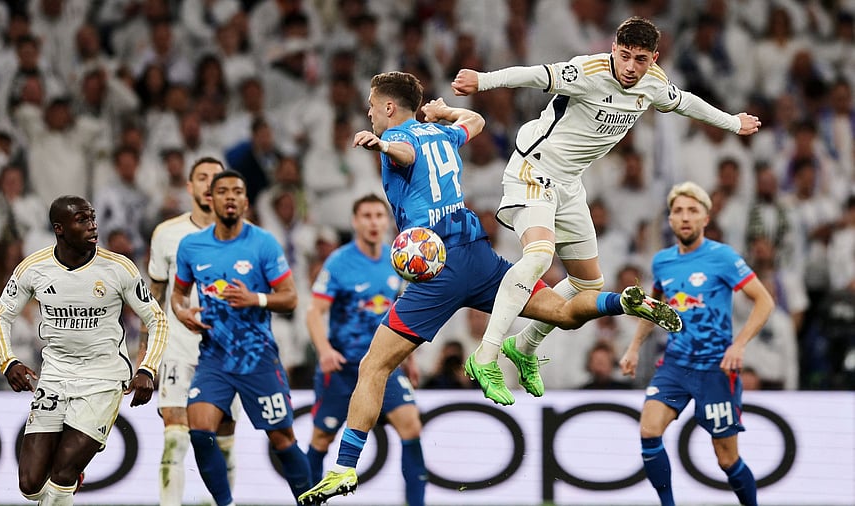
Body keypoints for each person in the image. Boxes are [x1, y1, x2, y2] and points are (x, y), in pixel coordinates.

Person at [298, 71, 681, 505]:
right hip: (478, 255)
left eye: (372, 104)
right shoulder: (442, 133)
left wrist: (383, 145)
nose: (368, 112)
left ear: (389, 107)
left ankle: (345, 469)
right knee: (560, 312)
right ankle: (621, 300)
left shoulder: (398, 139)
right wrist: (446, 112)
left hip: (437, 267)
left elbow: (404, 154)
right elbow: (475, 122)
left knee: (374, 367)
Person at [450, 16, 761, 403]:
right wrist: (483, 80)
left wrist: (732, 122)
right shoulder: (587, 70)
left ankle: (524, 345)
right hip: (534, 170)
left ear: (654, 58)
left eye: (641, 59)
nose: (631, 67)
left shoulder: (653, 83)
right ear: (614, 49)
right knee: (539, 256)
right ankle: (487, 354)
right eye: (625, 56)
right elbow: (533, 75)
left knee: (587, 284)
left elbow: (685, 103)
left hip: (569, 185)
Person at [0, 195, 168, 505]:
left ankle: (69, 481)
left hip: (103, 378)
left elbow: (158, 320)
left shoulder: (119, 268)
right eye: (82, 220)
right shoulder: (35, 268)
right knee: (30, 485)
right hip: (56, 375)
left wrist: (147, 369)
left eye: (93, 218)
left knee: (62, 474)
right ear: (59, 229)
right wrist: (9, 362)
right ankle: (70, 483)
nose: (93, 226)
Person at [619, 182, 775, 506]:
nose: (685, 217)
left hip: (716, 367)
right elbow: (655, 308)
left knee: (726, 459)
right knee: (649, 430)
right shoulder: (662, 261)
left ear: (706, 218)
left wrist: (739, 345)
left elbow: (764, 302)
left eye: (693, 211)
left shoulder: (724, 257)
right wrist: (634, 347)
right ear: (671, 220)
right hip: (675, 364)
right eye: (678, 211)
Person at [170, 170, 311, 506]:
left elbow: (290, 298)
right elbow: (178, 293)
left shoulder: (263, 243)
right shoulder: (191, 246)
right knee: (200, 432)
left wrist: (256, 299)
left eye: (237, 191)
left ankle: (311, 502)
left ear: (246, 202)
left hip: (258, 357)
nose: (230, 197)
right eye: (222, 191)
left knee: (282, 438)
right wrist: (181, 312)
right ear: (211, 199)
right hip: (214, 357)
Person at [306, 193, 426, 506]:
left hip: (383, 366)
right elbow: (313, 312)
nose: (374, 222)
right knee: (322, 438)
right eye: (367, 216)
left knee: (411, 425)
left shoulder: (398, 259)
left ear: (387, 221)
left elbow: (401, 315)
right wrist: (324, 351)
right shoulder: (339, 262)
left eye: (379, 216)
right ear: (355, 222)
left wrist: (408, 358)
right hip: (343, 366)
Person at [142, 157, 239, 506]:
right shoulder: (166, 234)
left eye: (215, 177)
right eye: (201, 177)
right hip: (178, 348)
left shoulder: (244, 234)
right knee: (176, 438)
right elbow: (152, 297)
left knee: (222, 440)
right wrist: (146, 356)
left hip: (228, 351)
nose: (208, 183)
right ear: (190, 187)